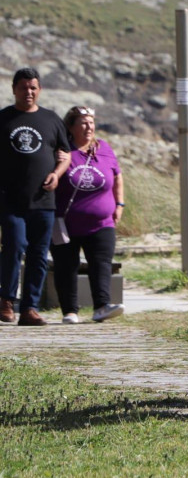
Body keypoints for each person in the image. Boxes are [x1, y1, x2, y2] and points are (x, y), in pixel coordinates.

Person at [0, 67, 71, 326]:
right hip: (10, 200)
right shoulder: (4, 118)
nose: (28, 92)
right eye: (23, 87)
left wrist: (57, 173)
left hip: (43, 201)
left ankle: (29, 308)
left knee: (39, 253)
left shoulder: (52, 119)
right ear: (14, 89)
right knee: (14, 246)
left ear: (39, 90)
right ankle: (6, 300)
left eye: (33, 87)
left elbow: (66, 154)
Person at [49, 106, 125, 324]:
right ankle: (70, 311)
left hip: (102, 222)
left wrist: (119, 205)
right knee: (65, 266)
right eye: (83, 122)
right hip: (65, 223)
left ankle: (101, 306)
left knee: (101, 263)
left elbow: (117, 177)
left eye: (91, 122)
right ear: (71, 127)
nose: (89, 127)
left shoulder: (105, 148)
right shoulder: (62, 151)